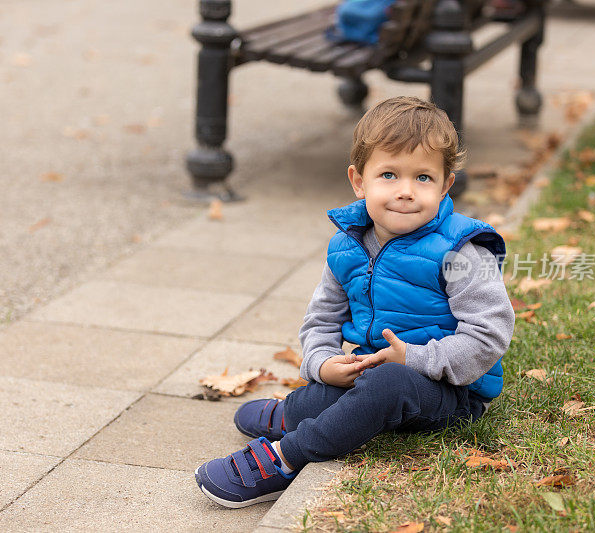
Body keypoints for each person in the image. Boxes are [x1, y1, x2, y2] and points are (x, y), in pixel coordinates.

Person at [194, 96, 515, 508]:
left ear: (446, 185)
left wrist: (413, 359)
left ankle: (286, 459)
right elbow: (321, 319)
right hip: (375, 370)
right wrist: (322, 363)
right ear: (359, 181)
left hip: (450, 390)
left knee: (385, 383)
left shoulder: (462, 251)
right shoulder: (346, 246)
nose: (405, 191)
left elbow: (490, 334)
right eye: (388, 174)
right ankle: (294, 412)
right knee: (342, 386)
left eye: (423, 178)